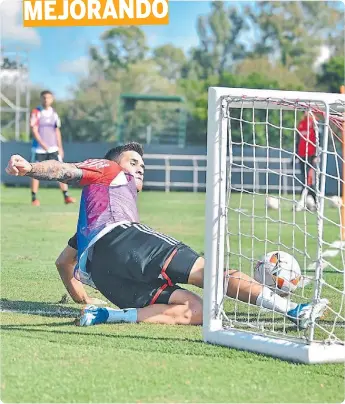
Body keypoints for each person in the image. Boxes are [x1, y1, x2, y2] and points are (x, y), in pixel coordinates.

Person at [6, 143, 328, 329]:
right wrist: (30, 168)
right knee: (211, 272)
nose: (140, 167)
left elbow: (64, 263)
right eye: (134, 162)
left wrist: (84, 299)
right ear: (115, 163)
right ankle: (294, 311)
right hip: (124, 241)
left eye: (143, 164)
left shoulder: (93, 220)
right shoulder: (108, 169)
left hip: (105, 277)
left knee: (195, 311)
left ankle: (106, 315)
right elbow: (67, 170)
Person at [30, 90, 75, 206]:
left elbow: (57, 130)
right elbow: (34, 130)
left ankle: (66, 196)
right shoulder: (36, 112)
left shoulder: (54, 113)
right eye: (44, 98)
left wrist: (60, 147)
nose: (46, 100)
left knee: (60, 170)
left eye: (48, 98)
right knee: (35, 171)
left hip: (53, 148)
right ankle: (34, 198)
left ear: (52, 99)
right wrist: (42, 143)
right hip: (39, 149)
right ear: (41, 99)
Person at [295, 112, 318, 212]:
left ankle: (301, 203)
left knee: (308, 180)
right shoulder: (301, 124)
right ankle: (315, 203)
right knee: (305, 180)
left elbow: (318, 140)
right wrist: (296, 154)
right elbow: (298, 140)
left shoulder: (314, 123)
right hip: (301, 155)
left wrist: (316, 155)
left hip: (311, 155)